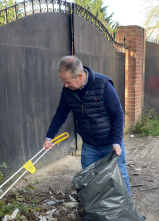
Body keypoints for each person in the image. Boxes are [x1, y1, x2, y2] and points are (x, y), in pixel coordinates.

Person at [43, 56, 130, 193]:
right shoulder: (68, 91)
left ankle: (126, 213)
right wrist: (49, 137)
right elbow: (61, 114)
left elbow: (118, 114)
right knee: (89, 180)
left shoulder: (103, 84)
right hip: (89, 145)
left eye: (68, 82)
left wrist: (117, 141)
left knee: (119, 177)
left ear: (80, 76)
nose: (65, 85)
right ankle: (93, 212)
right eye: (63, 81)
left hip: (110, 144)